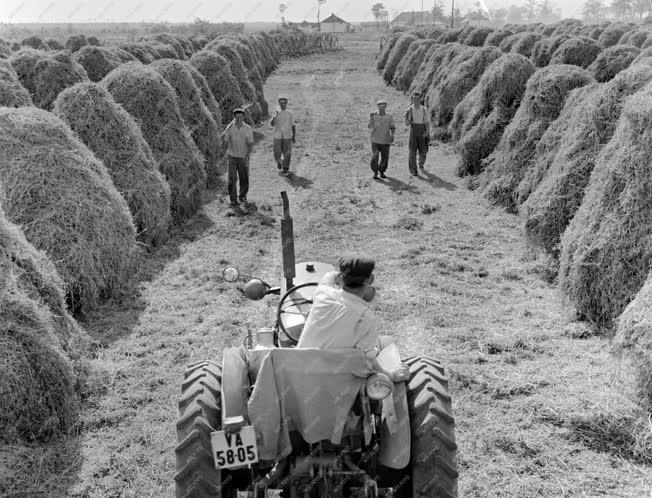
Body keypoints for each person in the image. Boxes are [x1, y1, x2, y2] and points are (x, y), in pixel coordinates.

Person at [297, 253, 410, 382]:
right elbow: (368, 359)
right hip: (336, 380)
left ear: (340, 278)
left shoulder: (323, 294)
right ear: (370, 280)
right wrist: (391, 376)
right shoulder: (366, 318)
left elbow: (327, 277)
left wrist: (340, 275)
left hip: (299, 371)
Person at [223, 108, 254, 207]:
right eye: (237, 117)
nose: (239, 119)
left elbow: (250, 144)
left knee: (244, 178)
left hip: (243, 157)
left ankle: (242, 197)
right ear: (234, 117)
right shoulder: (230, 128)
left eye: (240, 117)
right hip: (232, 157)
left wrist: (247, 156)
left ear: (244, 117)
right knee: (231, 179)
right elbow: (226, 141)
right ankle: (233, 200)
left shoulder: (248, 128)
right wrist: (223, 141)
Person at [368, 99, 395, 180]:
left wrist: (392, 135)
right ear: (378, 106)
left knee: (385, 158)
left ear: (385, 106)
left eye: (383, 106)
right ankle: (375, 172)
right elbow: (370, 127)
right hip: (375, 141)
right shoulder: (374, 115)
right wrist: (371, 118)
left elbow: (392, 127)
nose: (382, 108)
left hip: (386, 141)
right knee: (374, 157)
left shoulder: (389, 116)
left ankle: (382, 172)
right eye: (380, 106)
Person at [404, 91, 430, 177]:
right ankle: (413, 170)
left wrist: (427, 132)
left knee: (424, 150)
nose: (416, 101)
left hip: (422, 129)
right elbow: (407, 124)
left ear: (421, 99)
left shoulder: (424, 109)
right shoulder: (410, 109)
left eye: (418, 99)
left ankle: (421, 163)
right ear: (412, 99)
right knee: (412, 151)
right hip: (413, 129)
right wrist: (407, 117)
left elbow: (427, 122)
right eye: (414, 99)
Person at [270, 95, 296, 174]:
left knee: (287, 152)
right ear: (279, 103)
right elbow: (272, 124)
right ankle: (279, 161)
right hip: (277, 135)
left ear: (286, 103)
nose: (283, 104)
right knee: (277, 152)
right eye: (281, 103)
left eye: (284, 103)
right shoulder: (276, 112)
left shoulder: (290, 113)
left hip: (287, 135)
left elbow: (293, 125)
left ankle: (285, 167)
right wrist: (274, 117)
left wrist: (294, 136)